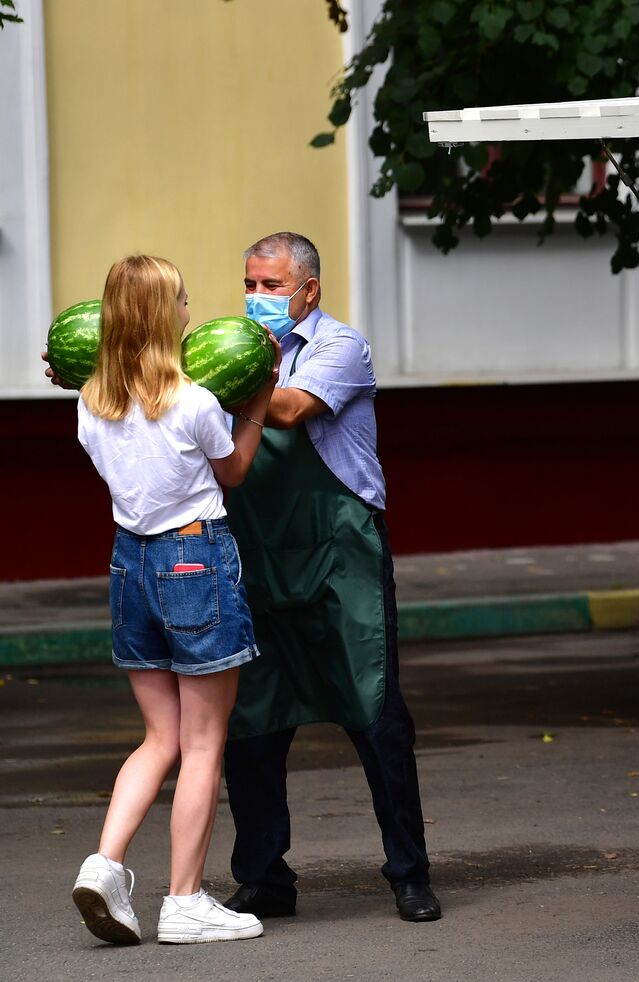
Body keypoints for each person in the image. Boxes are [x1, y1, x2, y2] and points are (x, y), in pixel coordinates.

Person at [219, 232, 440, 923]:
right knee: (250, 722)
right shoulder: (227, 350)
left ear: (308, 290)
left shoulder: (341, 348)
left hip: (340, 553)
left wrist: (213, 371)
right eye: (250, 285)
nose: (258, 300)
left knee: (378, 716)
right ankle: (263, 877)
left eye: (272, 287)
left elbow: (285, 410)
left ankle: (410, 873)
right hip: (256, 550)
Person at [66, 254, 278, 945]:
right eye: (181, 301)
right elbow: (237, 471)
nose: (191, 310)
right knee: (202, 741)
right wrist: (257, 400)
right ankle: (184, 901)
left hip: (130, 564)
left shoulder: (88, 403)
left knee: (158, 738)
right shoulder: (194, 401)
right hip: (194, 560)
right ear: (162, 317)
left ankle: (105, 864)